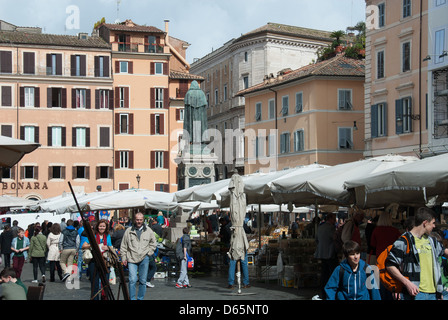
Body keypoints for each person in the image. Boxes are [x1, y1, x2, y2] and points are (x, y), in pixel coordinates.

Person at [386, 207, 448, 300]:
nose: (434, 226)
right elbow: (390, 265)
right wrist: (407, 283)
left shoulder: (432, 241)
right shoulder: (404, 241)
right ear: (425, 223)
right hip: (415, 293)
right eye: (433, 223)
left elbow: (445, 252)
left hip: (433, 294)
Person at [120, 212, 157, 300]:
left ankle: (140, 298)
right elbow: (123, 245)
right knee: (132, 280)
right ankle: (132, 298)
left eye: (140, 220)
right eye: (137, 219)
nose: (139, 221)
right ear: (134, 220)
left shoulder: (148, 230)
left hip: (144, 257)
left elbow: (153, 243)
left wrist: (149, 253)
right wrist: (124, 257)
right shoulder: (128, 231)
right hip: (131, 258)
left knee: (143, 281)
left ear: (143, 220)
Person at [82, 219, 112, 300]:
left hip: (105, 262)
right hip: (94, 262)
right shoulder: (93, 235)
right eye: (100, 226)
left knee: (105, 283)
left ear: (106, 227)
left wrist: (108, 247)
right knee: (94, 284)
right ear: (97, 227)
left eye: (103, 226)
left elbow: (111, 247)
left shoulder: (108, 236)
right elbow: (84, 246)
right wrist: (93, 245)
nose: (102, 228)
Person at [314, 212, 338, 300]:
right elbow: (334, 239)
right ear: (330, 219)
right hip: (330, 253)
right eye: (334, 219)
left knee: (324, 273)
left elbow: (316, 240)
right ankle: (330, 291)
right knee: (331, 273)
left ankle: (323, 290)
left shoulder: (320, 227)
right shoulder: (331, 228)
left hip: (321, 253)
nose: (335, 221)